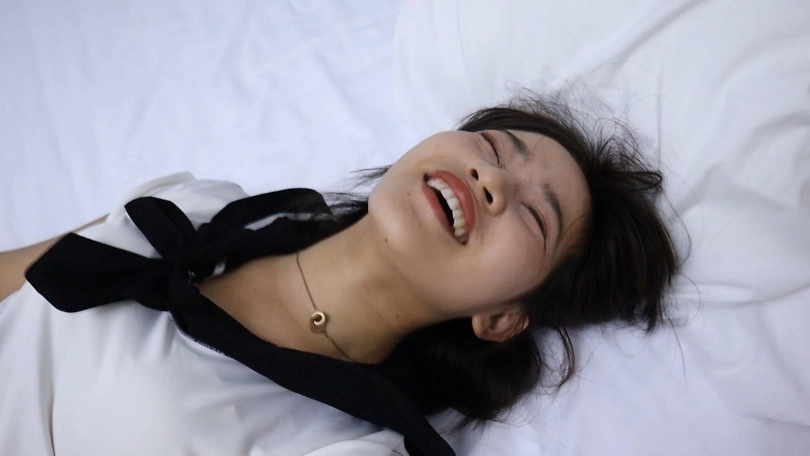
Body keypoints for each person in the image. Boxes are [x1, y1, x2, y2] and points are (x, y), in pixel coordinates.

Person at [0, 93, 678, 455]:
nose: (492, 179)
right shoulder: (195, 206)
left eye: (534, 216)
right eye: (494, 146)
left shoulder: (339, 446)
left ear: (501, 319)